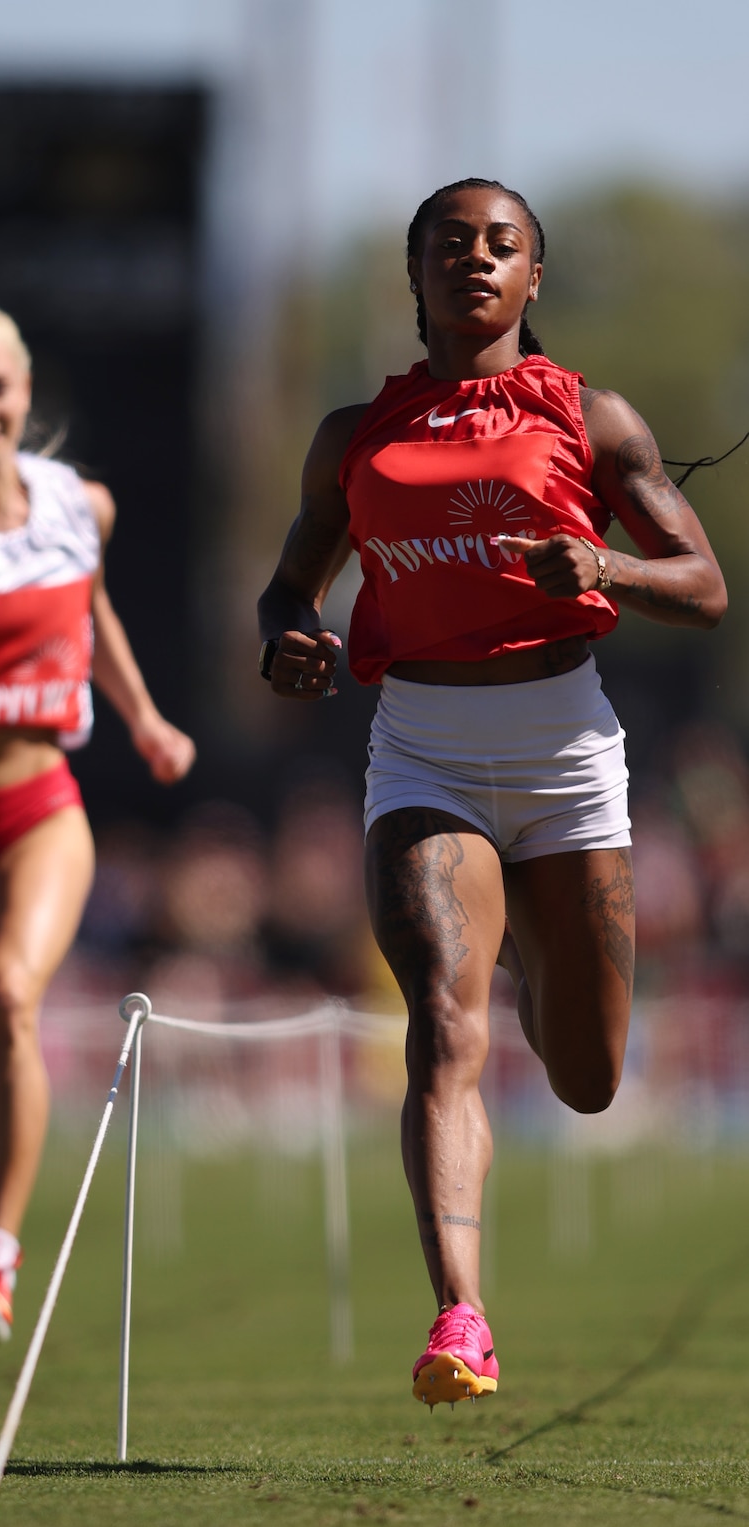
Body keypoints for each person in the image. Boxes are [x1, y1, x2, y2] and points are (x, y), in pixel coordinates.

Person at [257, 178, 726, 1407]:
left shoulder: (590, 415)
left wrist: (608, 561)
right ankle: (459, 1318)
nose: (475, 259)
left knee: (585, 1075)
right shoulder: (354, 434)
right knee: (443, 1031)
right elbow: (288, 585)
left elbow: (705, 582)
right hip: (424, 752)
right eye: (449, 244)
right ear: (412, 277)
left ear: (533, 280)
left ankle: (527, 952)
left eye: (501, 245)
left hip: (569, 759)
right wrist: (289, 632)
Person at [0, 300, 196, 1343]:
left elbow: (90, 612)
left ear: (25, 392)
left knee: (12, 993)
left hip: (34, 810)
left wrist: (147, 720)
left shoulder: (79, 506)